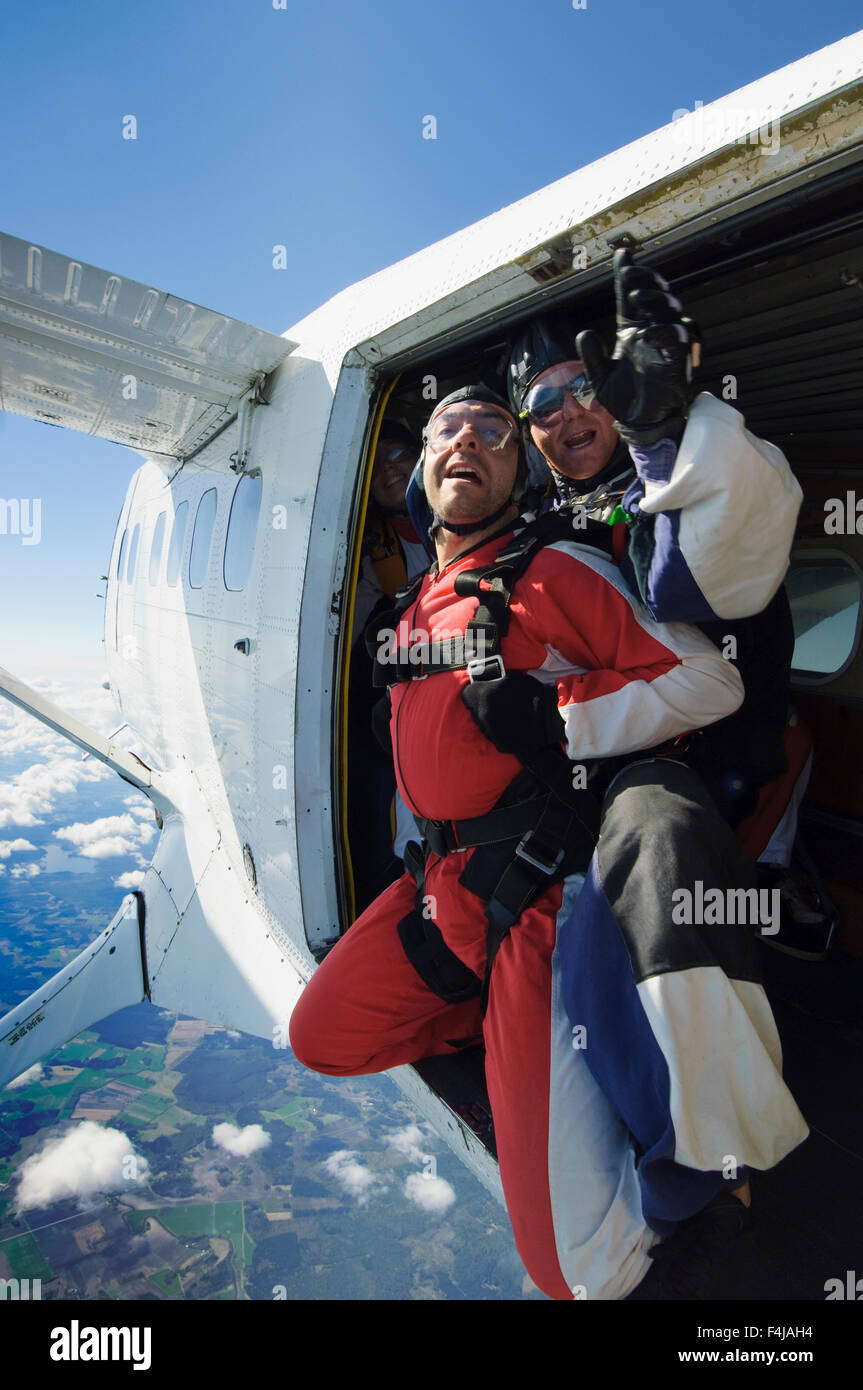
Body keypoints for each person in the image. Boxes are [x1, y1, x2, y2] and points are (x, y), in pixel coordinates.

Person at [292, 385, 808, 1301]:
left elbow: (706, 683)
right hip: (437, 886)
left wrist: (555, 717)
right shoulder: (419, 598)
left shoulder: (548, 570)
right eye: (448, 427)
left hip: (529, 896)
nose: (467, 441)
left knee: (575, 1277)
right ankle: (500, 1021)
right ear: (418, 469)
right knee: (323, 1034)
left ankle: (690, 1192)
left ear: (516, 469)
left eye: (493, 431)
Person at [348, 424, 427, 912]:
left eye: (396, 452)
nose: (389, 469)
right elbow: (352, 623)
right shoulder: (375, 548)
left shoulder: (466, 504)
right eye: (375, 466)